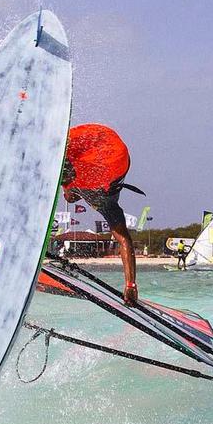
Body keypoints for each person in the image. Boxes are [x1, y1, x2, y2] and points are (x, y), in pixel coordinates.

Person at [61, 122, 143, 304]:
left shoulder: (102, 201)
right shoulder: (107, 203)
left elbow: (124, 240)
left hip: (111, 160)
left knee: (66, 173)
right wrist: (130, 285)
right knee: (67, 169)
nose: (68, 198)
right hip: (110, 149)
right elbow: (124, 240)